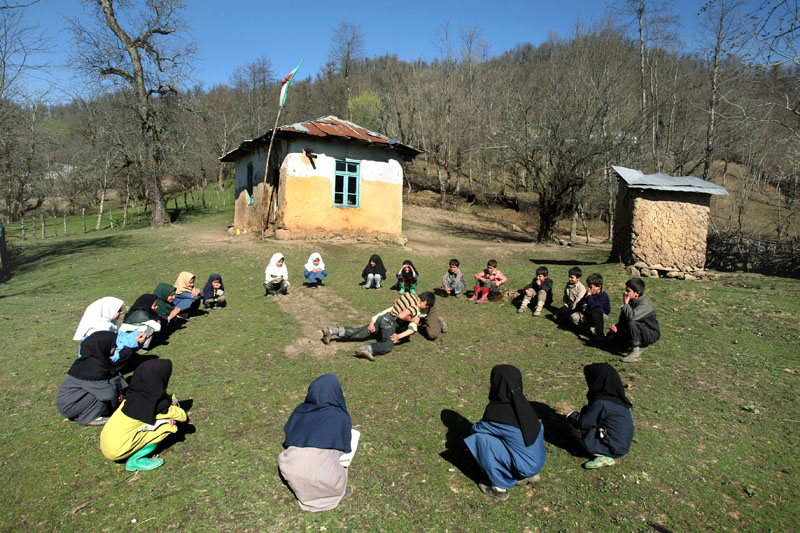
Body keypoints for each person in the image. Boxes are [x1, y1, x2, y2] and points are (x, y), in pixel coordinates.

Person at [278, 374, 360, 512]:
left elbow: (289, 436)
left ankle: (307, 489)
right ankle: (330, 492)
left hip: (291, 469)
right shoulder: (339, 415)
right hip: (326, 478)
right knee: (353, 436)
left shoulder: (300, 411)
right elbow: (346, 447)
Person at [464, 365, 546, 501]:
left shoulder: (498, 411)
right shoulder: (524, 406)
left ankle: (499, 486)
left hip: (525, 465)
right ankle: (527, 474)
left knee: (479, 439)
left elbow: (478, 429)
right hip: (537, 462)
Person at [100, 359, 188, 472]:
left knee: (158, 421)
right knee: (169, 427)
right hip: (116, 450)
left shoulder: (132, 396)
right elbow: (182, 416)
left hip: (107, 442)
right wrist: (173, 404)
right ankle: (135, 460)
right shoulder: (155, 405)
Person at [57, 331, 142, 427]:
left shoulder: (98, 361)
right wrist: (117, 395)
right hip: (70, 406)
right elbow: (108, 394)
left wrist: (121, 391)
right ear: (104, 346)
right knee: (102, 396)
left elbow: (115, 377)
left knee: (111, 384)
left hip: (77, 400)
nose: (116, 347)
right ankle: (87, 418)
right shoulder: (91, 369)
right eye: (113, 345)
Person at [321, 291, 436, 361]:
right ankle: (365, 349)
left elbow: (392, 306)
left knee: (359, 332)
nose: (424, 308)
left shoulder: (408, 295)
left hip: (382, 318)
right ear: (425, 301)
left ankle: (332, 331)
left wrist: (373, 321)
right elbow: (403, 317)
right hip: (389, 323)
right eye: (426, 306)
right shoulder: (415, 308)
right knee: (388, 345)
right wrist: (412, 320)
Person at [566, 363, 634, 469]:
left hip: (611, 447)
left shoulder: (601, 403)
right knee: (586, 411)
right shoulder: (616, 398)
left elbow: (584, 423)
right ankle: (604, 449)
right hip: (622, 445)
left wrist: (571, 416)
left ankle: (602, 454)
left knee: (575, 427)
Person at [607, 278, 660, 363]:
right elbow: (623, 321)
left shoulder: (644, 303)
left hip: (650, 333)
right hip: (635, 331)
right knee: (611, 337)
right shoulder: (630, 303)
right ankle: (638, 345)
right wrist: (616, 329)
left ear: (637, 293)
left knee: (632, 324)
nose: (626, 293)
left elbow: (632, 317)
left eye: (628, 291)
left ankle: (635, 353)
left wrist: (626, 304)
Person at [570, 273, 611, 341]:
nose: (589, 289)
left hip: (600, 315)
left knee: (596, 311)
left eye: (591, 287)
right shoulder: (588, 293)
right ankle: (587, 328)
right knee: (574, 317)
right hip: (588, 313)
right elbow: (579, 304)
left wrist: (589, 297)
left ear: (598, 287)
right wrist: (581, 313)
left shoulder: (603, 296)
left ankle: (599, 334)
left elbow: (594, 306)